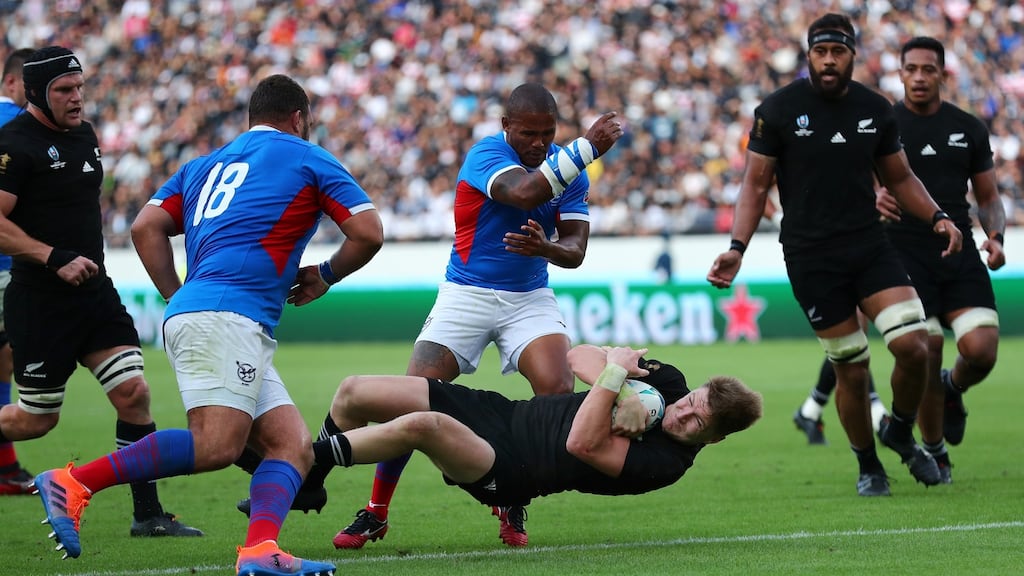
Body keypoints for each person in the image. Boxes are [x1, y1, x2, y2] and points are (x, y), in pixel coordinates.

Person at [30, 72, 383, 576]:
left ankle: (260, 551)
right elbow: (368, 231)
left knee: (291, 446)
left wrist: (176, 295)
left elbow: (145, 226)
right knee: (217, 444)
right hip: (227, 317)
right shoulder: (307, 156)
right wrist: (325, 275)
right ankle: (75, 481)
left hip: (214, 313)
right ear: (299, 118)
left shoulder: (202, 165)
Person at [326, 82, 624, 548]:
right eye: (528, 133)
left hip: (528, 297)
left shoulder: (569, 170)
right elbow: (523, 192)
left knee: (557, 392)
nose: (539, 143)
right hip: (465, 293)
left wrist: (546, 248)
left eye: (547, 133)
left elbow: (576, 250)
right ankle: (376, 511)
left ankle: (513, 495)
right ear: (506, 126)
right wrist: (586, 148)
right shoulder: (487, 155)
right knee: (409, 398)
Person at [706, 14, 963, 497]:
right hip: (811, 258)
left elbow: (900, 178)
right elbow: (754, 186)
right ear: (808, 55)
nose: (828, 60)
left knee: (917, 346)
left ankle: (898, 429)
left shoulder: (875, 109)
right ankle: (869, 465)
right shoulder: (777, 110)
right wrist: (737, 248)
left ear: (852, 55)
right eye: (820, 52)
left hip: (869, 246)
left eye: (838, 52)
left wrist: (938, 217)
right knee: (851, 366)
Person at [0, 46, 202, 538]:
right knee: (36, 421)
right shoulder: (14, 144)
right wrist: (52, 256)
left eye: (80, 88)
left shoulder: (84, 135)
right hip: (40, 302)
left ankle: (148, 515)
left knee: (134, 393)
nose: (77, 98)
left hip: (94, 294)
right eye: (64, 90)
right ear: (35, 93)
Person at [303, 344, 761, 548]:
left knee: (424, 425)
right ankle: (311, 483)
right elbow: (580, 355)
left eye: (697, 421)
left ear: (714, 438)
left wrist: (613, 379)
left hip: (511, 468)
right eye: (691, 402)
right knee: (354, 390)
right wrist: (622, 389)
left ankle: (300, 460)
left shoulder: (668, 463)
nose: (681, 413)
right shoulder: (670, 383)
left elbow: (581, 443)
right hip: (504, 412)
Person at [871, 37, 1005, 483]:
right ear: (900, 74)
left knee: (981, 351)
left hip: (958, 250)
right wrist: (873, 195)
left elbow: (988, 196)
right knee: (927, 350)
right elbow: (854, 177)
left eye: (928, 69)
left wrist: (996, 237)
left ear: (943, 75)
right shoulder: (882, 125)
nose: (919, 77)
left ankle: (953, 387)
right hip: (902, 254)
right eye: (911, 69)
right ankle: (935, 450)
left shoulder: (967, 127)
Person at [0, 47, 36, 496]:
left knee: (4, 361)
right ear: (11, 82)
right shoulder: (19, 123)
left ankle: (5, 468)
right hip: (8, 264)